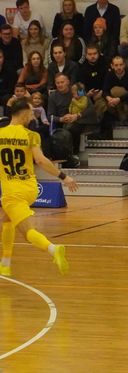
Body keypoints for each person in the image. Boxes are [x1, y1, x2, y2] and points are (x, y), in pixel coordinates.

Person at [0, 98, 78, 277]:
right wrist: (63, 176)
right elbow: (41, 160)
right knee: (6, 219)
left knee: (27, 232)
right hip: (30, 187)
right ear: (24, 113)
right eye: (30, 112)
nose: (32, 116)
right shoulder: (31, 135)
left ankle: (53, 249)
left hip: (13, 191)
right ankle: (5, 264)